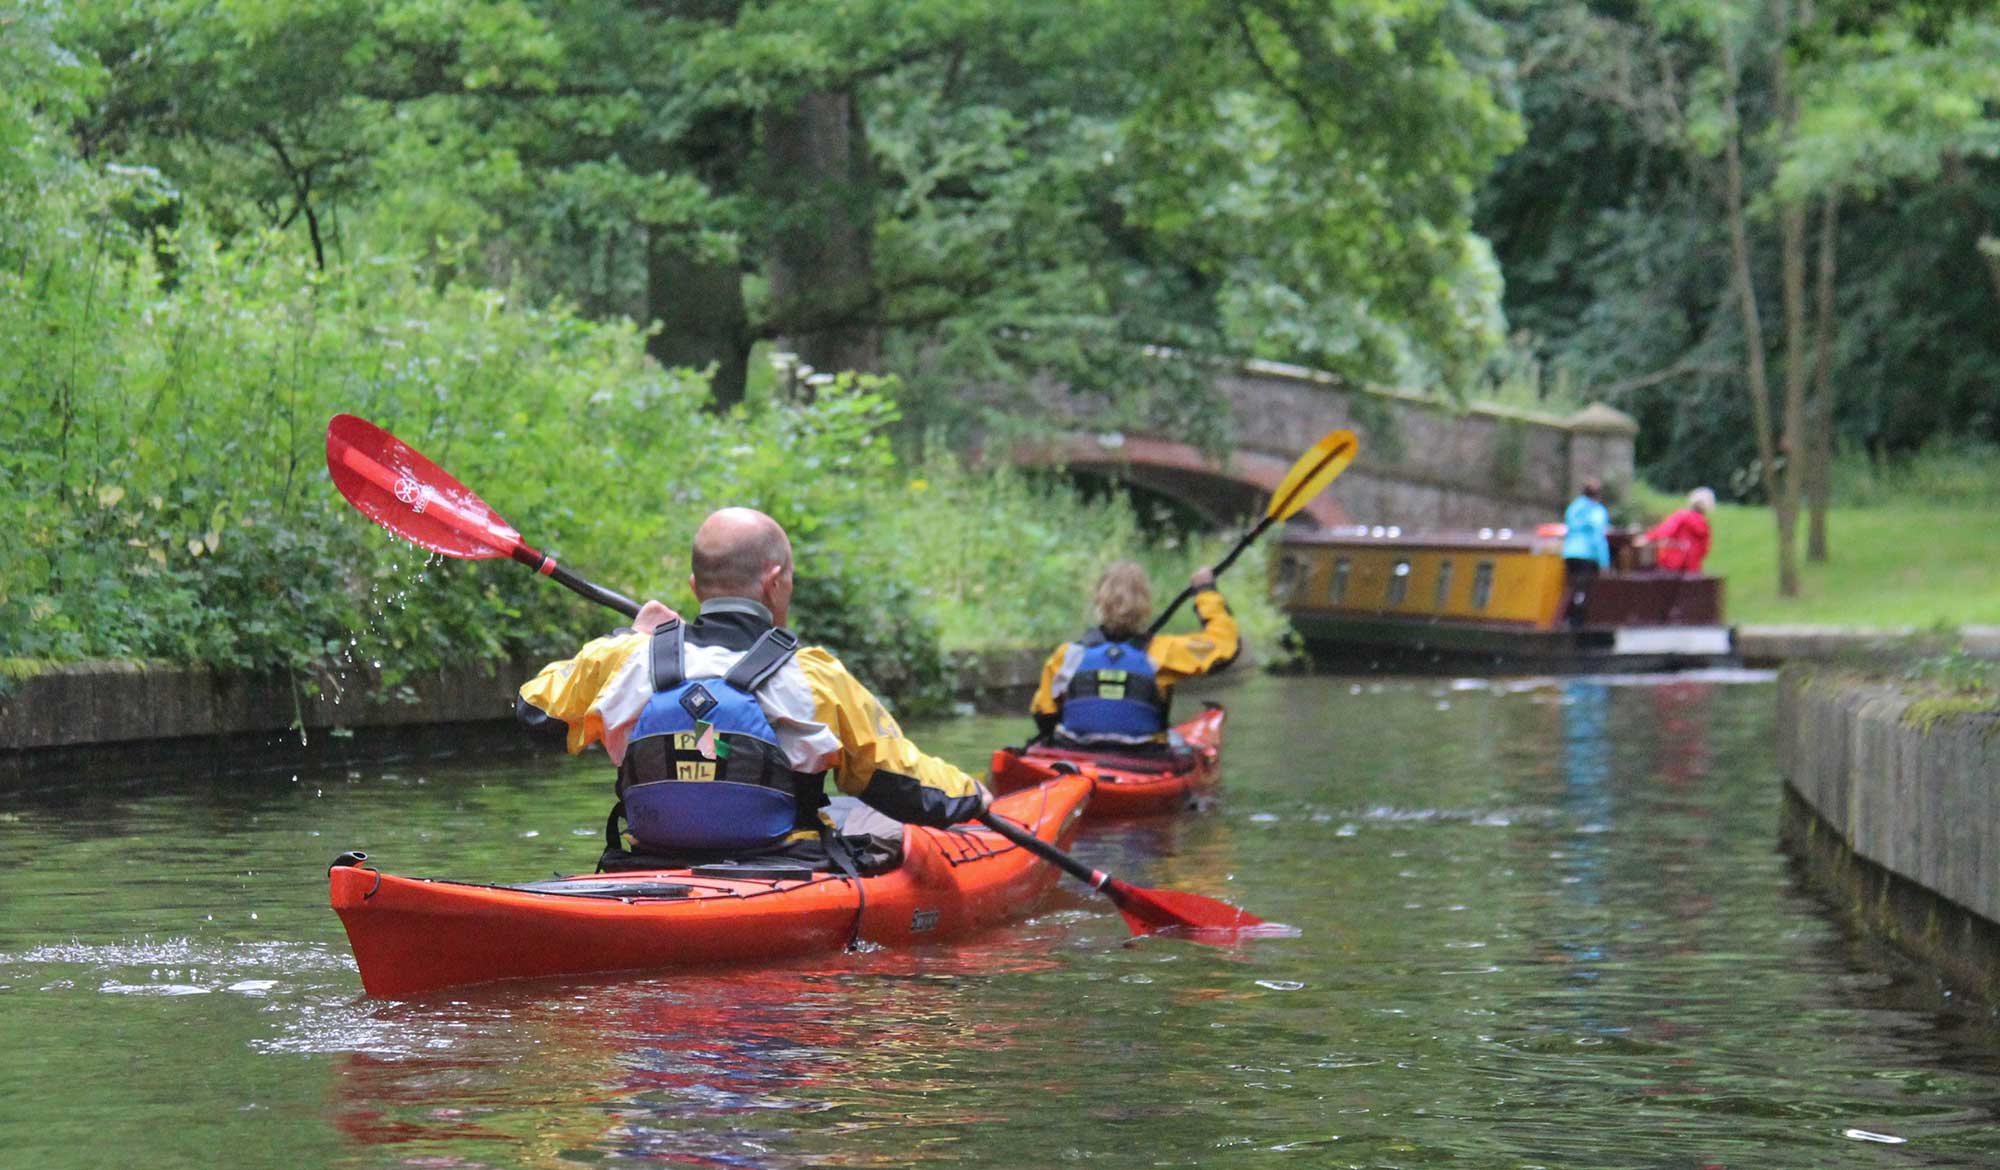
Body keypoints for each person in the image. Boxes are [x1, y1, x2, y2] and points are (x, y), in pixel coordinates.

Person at [517, 507, 990, 869]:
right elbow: (899, 782)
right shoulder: (814, 675)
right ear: (775, 580)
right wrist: (974, 796)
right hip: (783, 869)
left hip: (649, 865)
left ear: (694, 585)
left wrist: (630, 639)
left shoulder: (622, 659)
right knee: (874, 819)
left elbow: (533, 710)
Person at [1029, 561, 1239, 753]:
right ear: (1144, 605)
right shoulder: (1163, 653)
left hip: (1075, 756)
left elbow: (1044, 715)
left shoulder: (1067, 656)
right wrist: (1206, 591)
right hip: (1143, 761)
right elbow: (1224, 645)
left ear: (1100, 601)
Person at [1560, 478, 1610, 627]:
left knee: (1572, 586)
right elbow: (1598, 537)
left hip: (1569, 553)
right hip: (1586, 554)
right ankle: (1578, 623)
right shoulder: (1597, 511)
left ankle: (1565, 618)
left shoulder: (1574, 507)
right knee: (1584, 588)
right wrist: (1604, 562)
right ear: (1598, 495)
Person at [1638, 487, 1715, 574]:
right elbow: (1704, 550)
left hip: (1672, 567)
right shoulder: (1704, 525)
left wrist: (1646, 538)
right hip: (1692, 570)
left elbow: (1663, 532)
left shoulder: (1682, 516)